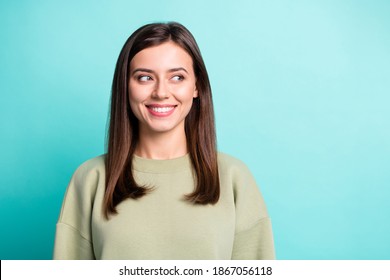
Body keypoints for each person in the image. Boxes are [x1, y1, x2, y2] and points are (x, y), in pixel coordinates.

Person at [53, 22, 275, 260]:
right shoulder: (90, 179)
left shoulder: (233, 177)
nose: (161, 92)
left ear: (196, 86)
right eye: (145, 77)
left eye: (177, 77)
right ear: (126, 86)